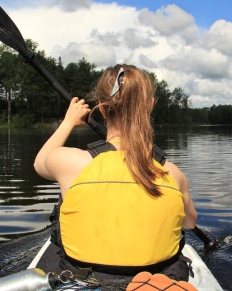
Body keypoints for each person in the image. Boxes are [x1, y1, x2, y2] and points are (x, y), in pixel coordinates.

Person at [33, 64, 197, 289]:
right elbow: (190, 222)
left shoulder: (69, 163)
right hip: (155, 282)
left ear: (101, 109)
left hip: (82, 281)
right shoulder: (174, 174)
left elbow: (39, 163)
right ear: (149, 106)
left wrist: (69, 122)